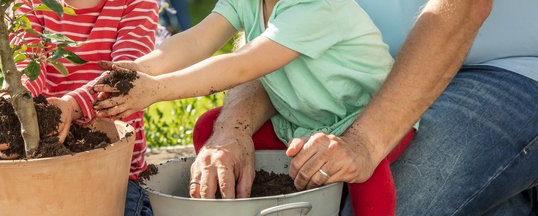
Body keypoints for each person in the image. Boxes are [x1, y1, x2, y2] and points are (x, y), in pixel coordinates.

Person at [165, 0, 538, 215]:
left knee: (378, 202)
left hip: (522, 70)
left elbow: (463, 7)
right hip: (373, 72)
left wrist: (363, 144)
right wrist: (233, 128)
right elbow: (274, 23)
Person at [91, 0, 414, 214]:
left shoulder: (317, 7)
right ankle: (235, 202)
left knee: (363, 174)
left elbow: (243, 66)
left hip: (360, 119)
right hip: (301, 121)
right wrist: (138, 69)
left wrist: (158, 90)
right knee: (210, 126)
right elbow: (195, 41)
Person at [0, 0, 159, 215]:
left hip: (115, 175)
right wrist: (9, 104)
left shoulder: (137, 3)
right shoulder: (31, 3)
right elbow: (25, 64)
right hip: (46, 161)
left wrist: (71, 106)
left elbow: (124, 78)